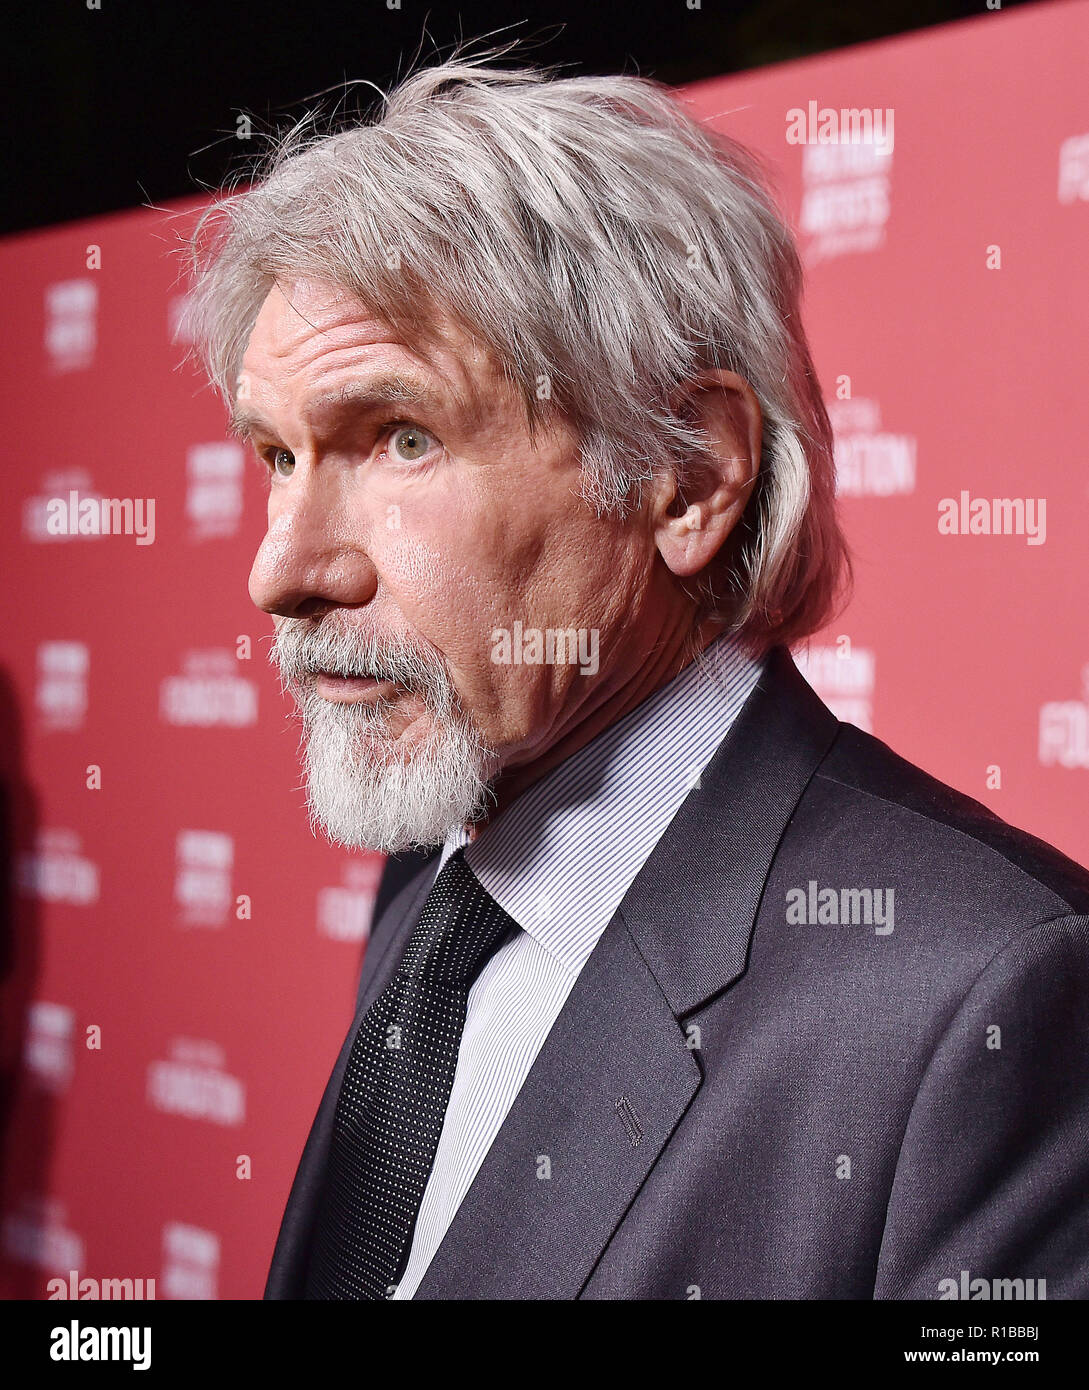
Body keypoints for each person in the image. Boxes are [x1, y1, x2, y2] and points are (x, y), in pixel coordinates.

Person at [184, 52, 1089, 1300]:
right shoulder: (433, 891)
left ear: (691, 477)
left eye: (401, 438)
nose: (282, 570)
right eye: (278, 456)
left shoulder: (989, 995)